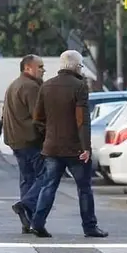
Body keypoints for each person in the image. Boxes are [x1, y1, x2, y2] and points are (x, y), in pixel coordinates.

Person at [28, 50, 107, 239]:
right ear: (75, 67)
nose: (81, 69)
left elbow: (37, 118)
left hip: (52, 147)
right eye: (80, 66)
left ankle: (37, 223)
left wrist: (48, 134)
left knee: (49, 186)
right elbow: (82, 121)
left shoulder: (46, 86)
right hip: (75, 149)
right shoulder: (79, 86)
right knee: (84, 188)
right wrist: (86, 147)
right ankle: (90, 227)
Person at [2, 54, 46, 234]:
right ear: (28, 68)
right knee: (46, 176)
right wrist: (46, 135)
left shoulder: (14, 85)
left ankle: (27, 221)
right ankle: (26, 206)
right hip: (31, 140)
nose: (43, 70)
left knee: (27, 179)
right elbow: (39, 117)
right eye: (40, 67)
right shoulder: (31, 87)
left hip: (16, 140)